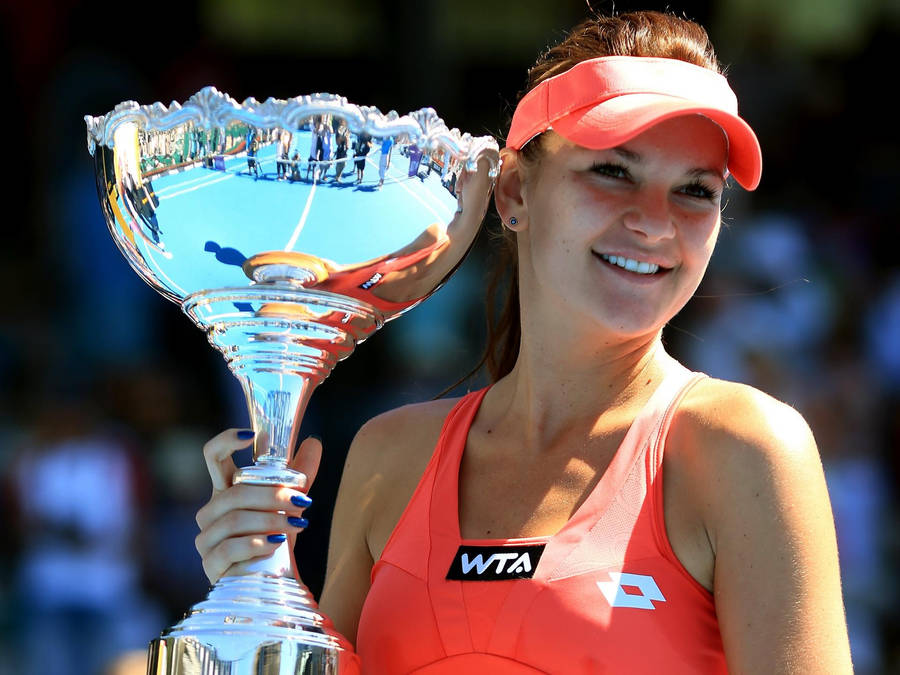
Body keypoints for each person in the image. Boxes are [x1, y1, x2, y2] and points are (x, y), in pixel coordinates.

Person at [194, 11, 852, 673]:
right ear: (513, 191)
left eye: (695, 190)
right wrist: (254, 590)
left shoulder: (741, 450)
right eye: (614, 172)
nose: (655, 221)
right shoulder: (388, 456)